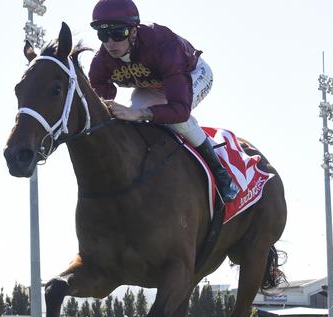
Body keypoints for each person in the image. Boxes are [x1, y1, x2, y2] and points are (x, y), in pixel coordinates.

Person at [88, 0, 240, 203]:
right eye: (102, 34)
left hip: (192, 74)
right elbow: (101, 104)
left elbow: (180, 109)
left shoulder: (162, 45)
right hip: (153, 85)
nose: (110, 43)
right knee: (131, 116)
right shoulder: (101, 61)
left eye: (118, 34)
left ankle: (221, 174)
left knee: (175, 120)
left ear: (134, 31)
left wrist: (141, 114)